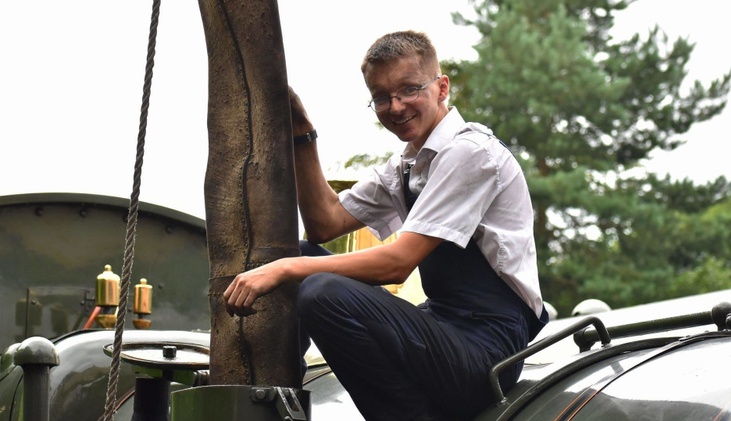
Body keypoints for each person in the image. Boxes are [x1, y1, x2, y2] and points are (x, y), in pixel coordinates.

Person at [224, 30, 548, 421]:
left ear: (441, 87)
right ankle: (271, 394)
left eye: (409, 89)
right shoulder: (408, 165)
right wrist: (302, 132)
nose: (395, 107)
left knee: (321, 290)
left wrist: (284, 269)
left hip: (487, 351)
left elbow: (397, 263)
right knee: (298, 254)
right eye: (381, 97)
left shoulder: (470, 154)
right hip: (442, 328)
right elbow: (325, 223)